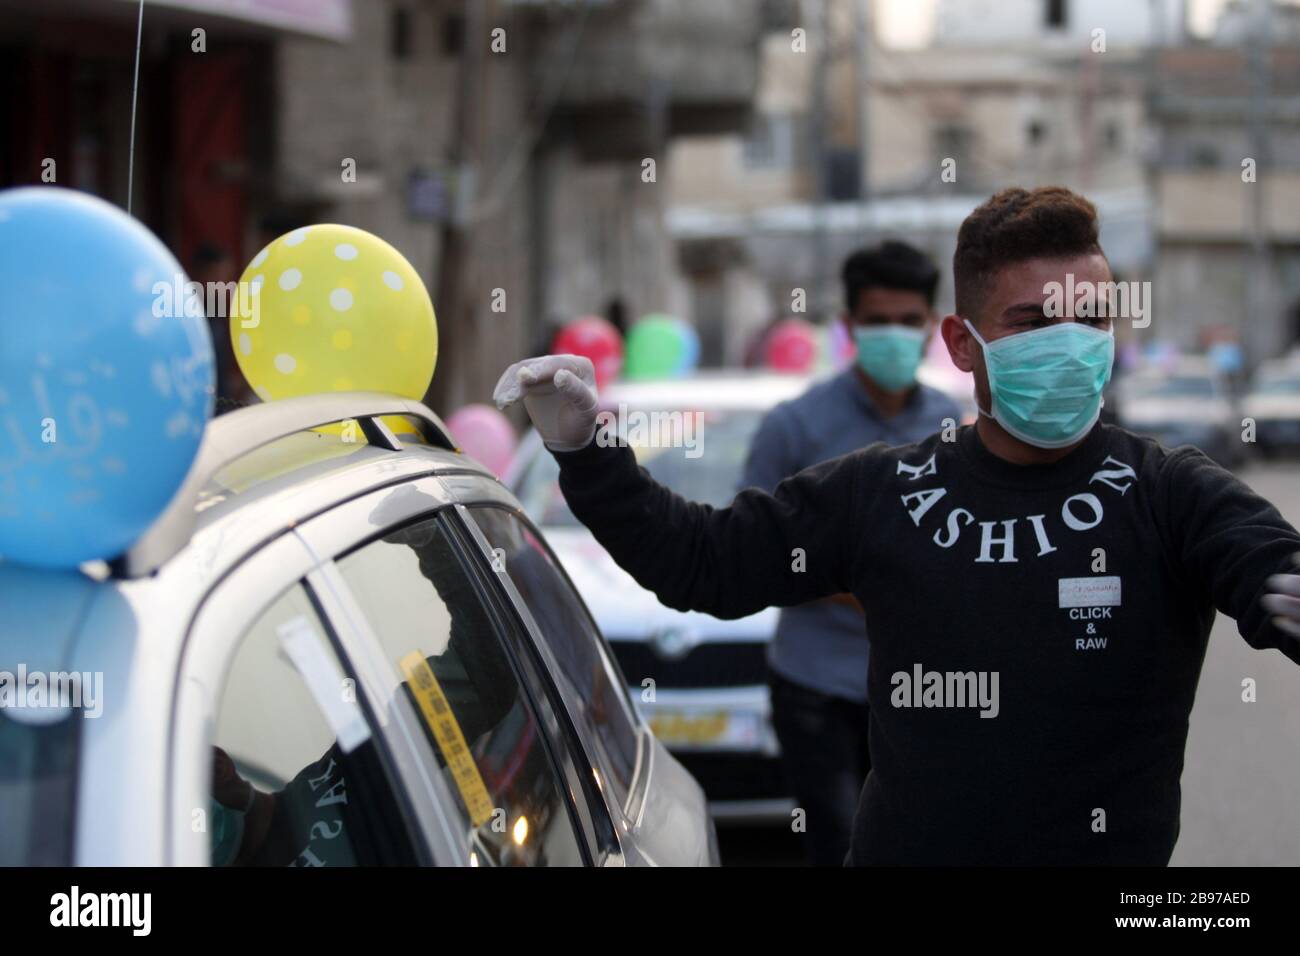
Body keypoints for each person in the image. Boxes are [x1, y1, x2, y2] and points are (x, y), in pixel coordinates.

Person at [494, 186, 1300, 865]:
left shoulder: (1169, 494)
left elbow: (1265, 563)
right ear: (962, 343)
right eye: (1032, 323)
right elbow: (702, 560)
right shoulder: (882, 490)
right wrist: (586, 449)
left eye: (1090, 320)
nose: (1070, 346)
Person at [740, 241, 958, 865]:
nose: (894, 334)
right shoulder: (795, 425)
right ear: (849, 327)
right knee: (837, 845)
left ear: (931, 327)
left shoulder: (950, 422)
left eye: (909, 321)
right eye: (878, 321)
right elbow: (752, 547)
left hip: (921, 686)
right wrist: (857, 585)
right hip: (818, 684)